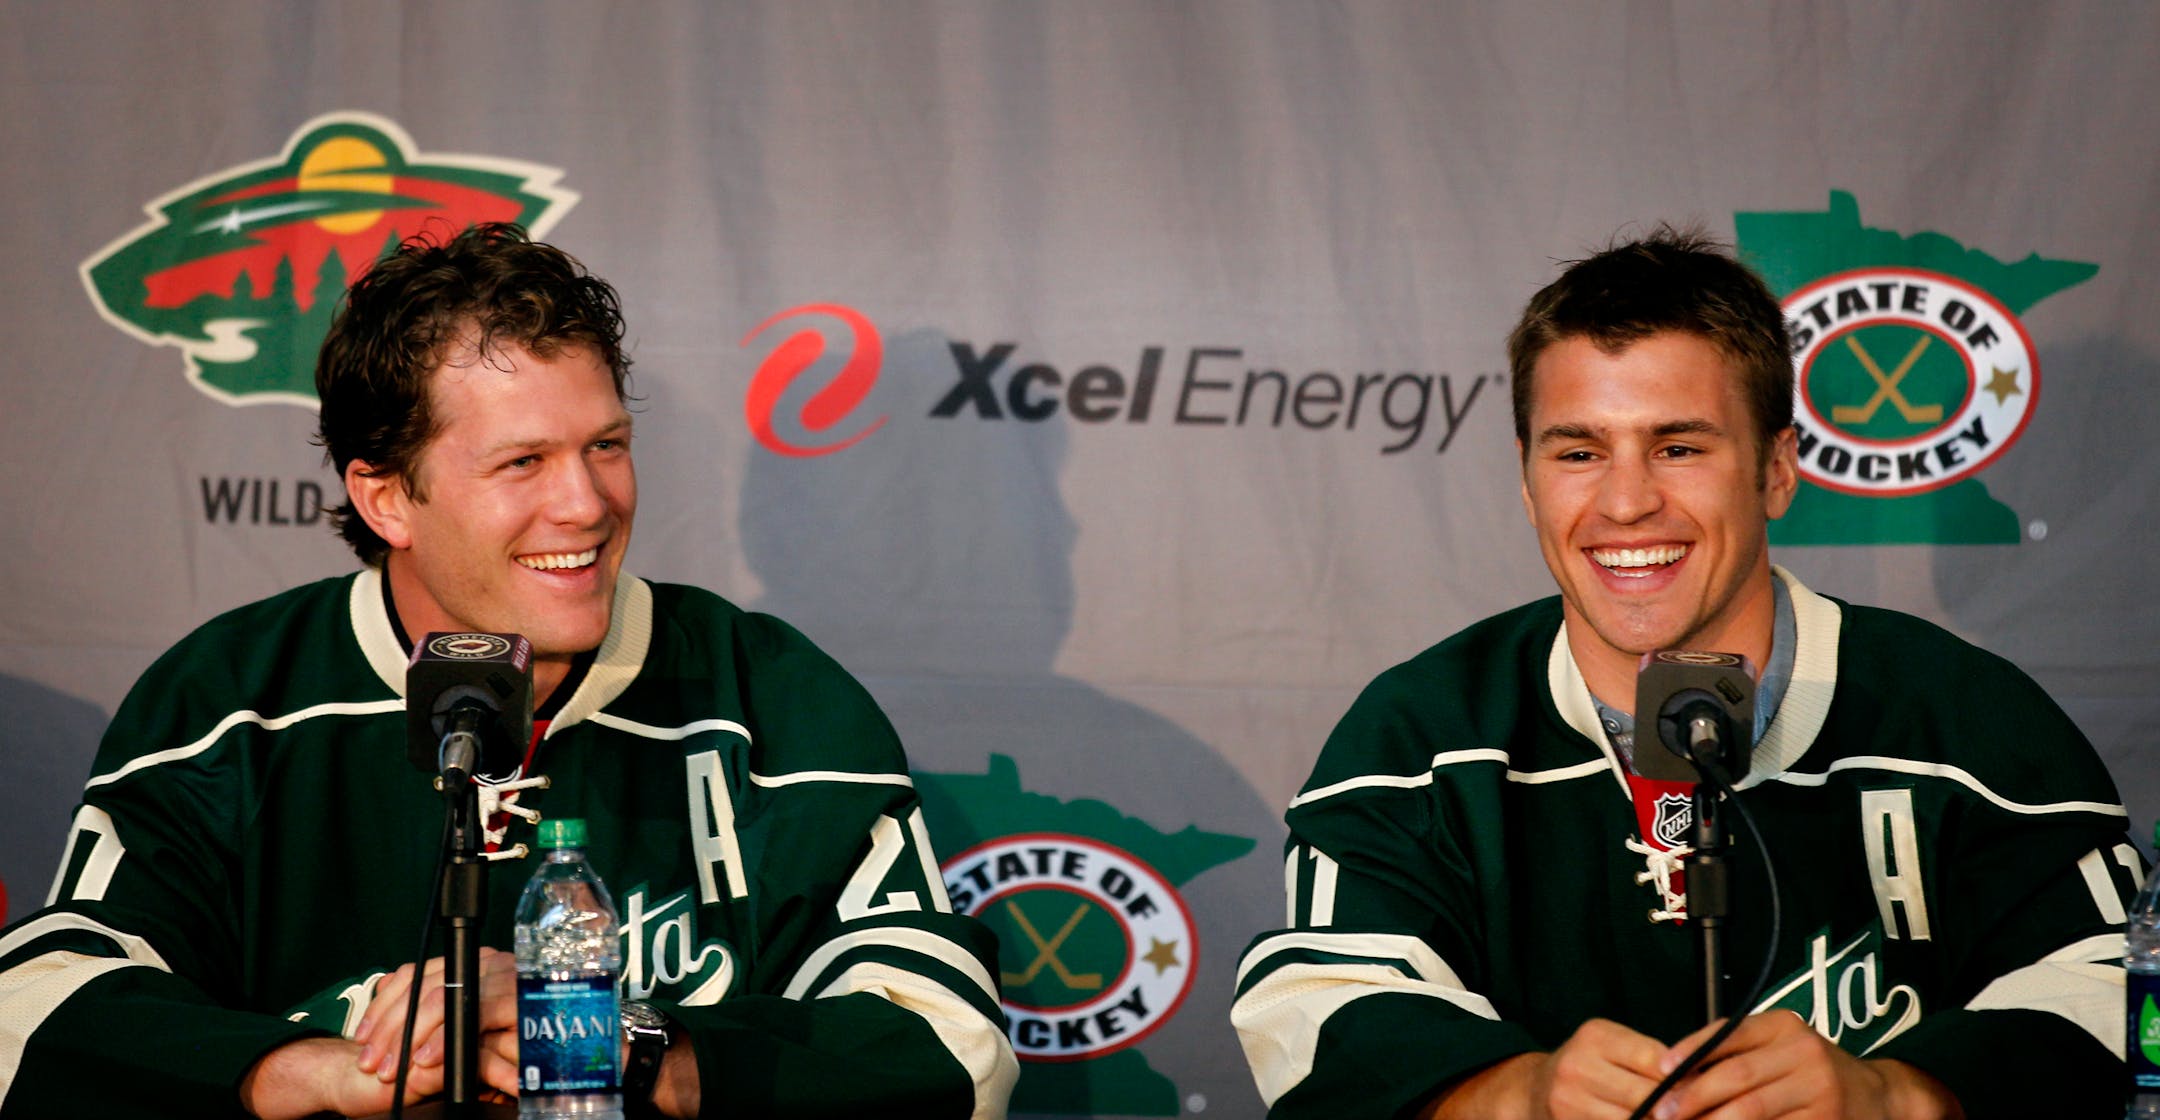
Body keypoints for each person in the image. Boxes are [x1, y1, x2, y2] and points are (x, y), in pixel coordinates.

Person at [0, 223, 1017, 1119]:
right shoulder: (230, 701)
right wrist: (318, 1072)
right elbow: (30, 1012)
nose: (587, 504)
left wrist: (621, 1044)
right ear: (387, 497)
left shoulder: (770, 698)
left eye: (606, 445)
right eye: (522, 462)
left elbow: (955, 1049)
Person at [1231, 228, 2135, 1119]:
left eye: (1679, 447)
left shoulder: (1965, 719)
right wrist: (1513, 1095)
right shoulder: (1423, 735)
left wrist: (1899, 1094)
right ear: (1528, 480)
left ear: (1776, 470)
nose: (1627, 503)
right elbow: (1314, 1005)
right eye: (1579, 452)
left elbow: (2115, 990)